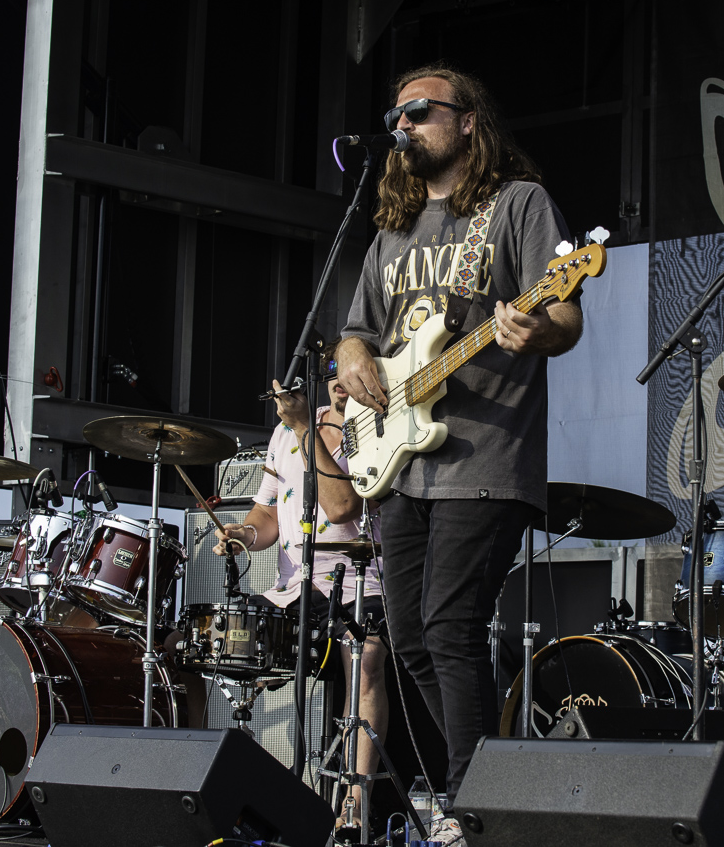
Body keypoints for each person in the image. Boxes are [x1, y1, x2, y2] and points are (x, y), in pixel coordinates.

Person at [337, 64, 583, 844]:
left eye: (421, 111)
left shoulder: (517, 205)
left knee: (450, 628)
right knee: (408, 638)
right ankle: (497, 790)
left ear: (468, 120)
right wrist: (349, 357)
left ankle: (469, 809)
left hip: (485, 455)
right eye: (396, 114)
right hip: (400, 462)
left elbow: (567, 313)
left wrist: (537, 328)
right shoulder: (391, 231)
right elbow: (358, 329)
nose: (404, 123)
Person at [213, 342, 387, 834]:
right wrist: (242, 537)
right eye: (331, 369)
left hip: (356, 580)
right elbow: (265, 515)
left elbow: (341, 509)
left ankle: (356, 796)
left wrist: (306, 429)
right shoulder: (283, 434)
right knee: (199, 645)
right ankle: (220, 787)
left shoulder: (372, 428)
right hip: (293, 585)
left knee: (367, 657)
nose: (337, 378)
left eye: (347, 369)